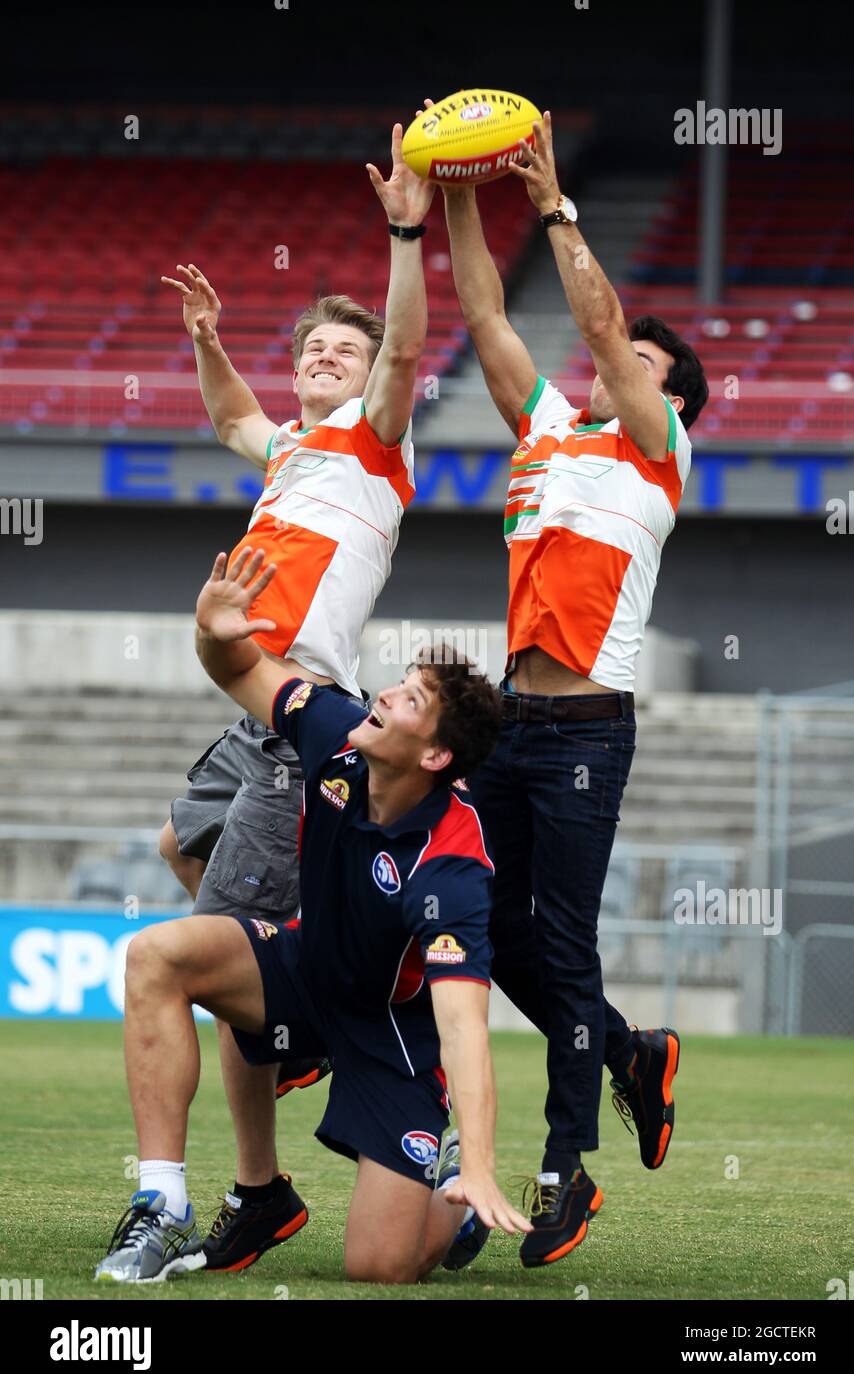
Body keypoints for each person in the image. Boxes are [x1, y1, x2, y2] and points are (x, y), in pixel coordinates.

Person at [154, 124, 435, 1269]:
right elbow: (231, 418)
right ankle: (297, 1008)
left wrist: (405, 237)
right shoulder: (292, 449)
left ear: (366, 378)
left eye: (339, 348)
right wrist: (213, 341)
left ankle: (257, 1179)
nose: (321, 355)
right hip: (245, 709)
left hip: (297, 709)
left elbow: (407, 351)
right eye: (310, 345)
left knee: (213, 947)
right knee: (178, 838)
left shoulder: (374, 436)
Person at [95, 550, 530, 1285]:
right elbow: (239, 670)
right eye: (400, 684)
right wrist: (211, 629)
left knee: (380, 1267)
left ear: (435, 755)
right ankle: (163, 1201)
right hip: (301, 969)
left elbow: (462, 1027)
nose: (385, 696)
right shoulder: (337, 732)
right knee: (156, 956)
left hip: (391, 1033)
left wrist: (482, 1169)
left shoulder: (452, 864)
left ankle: (451, 1192)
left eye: (411, 700)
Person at [439, 111, 708, 1267]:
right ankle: (627, 1053)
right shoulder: (548, 431)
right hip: (507, 718)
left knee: (562, 939)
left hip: (590, 724)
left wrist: (553, 205)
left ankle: (564, 1167)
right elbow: (486, 316)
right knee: (488, 928)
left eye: (639, 367)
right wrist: (448, 190)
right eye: (618, 364)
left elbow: (595, 320)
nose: (612, 369)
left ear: (674, 402)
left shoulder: (659, 449)